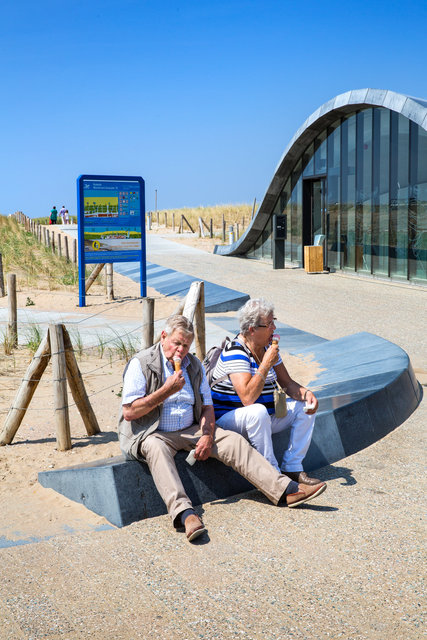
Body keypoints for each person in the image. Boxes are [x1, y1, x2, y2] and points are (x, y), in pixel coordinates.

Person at [118, 315, 326, 543]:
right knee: (155, 449)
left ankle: (284, 490)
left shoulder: (194, 365)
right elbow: (130, 411)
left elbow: (207, 407)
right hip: (152, 431)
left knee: (233, 441)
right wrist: (166, 391)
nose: (180, 350)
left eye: (186, 345)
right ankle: (184, 513)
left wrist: (207, 434)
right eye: (176, 343)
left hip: (191, 428)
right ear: (163, 336)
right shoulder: (141, 363)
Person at [211, 298, 320, 485]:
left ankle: (292, 467)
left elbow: (287, 383)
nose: (274, 328)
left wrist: (306, 394)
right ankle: (274, 477)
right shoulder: (235, 351)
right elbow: (247, 398)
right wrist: (266, 363)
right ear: (252, 330)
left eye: (273, 321)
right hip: (230, 420)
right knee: (257, 411)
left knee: (305, 408)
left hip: (263, 418)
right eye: (269, 324)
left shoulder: (267, 348)